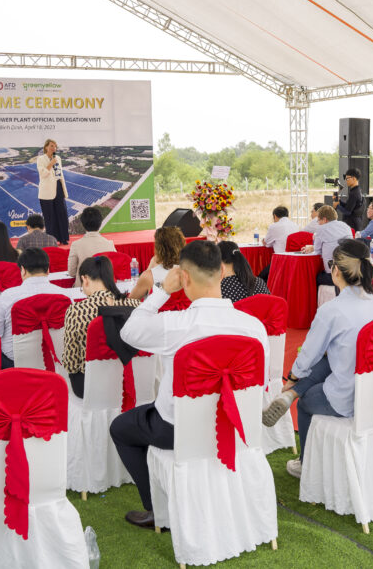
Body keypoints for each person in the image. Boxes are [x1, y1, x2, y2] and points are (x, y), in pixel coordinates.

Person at [111, 241, 268, 529]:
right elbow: (262, 380)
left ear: (182, 277)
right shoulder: (253, 326)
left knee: (120, 428)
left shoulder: (176, 323)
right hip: (238, 422)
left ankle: (157, 508)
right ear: (222, 271)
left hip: (180, 428)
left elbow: (128, 332)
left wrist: (161, 292)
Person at [261, 239, 373, 478]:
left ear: (336, 270)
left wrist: (292, 377)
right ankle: (291, 394)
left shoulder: (332, 310)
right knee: (329, 360)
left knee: (307, 401)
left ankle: (306, 461)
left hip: (346, 398)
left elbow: (308, 355)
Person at [62, 256, 140, 398]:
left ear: (85, 279)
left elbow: (71, 364)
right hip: (131, 378)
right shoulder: (135, 305)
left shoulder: (76, 311)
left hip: (89, 386)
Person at [0, 247, 65, 367]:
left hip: (16, 361)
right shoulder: (64, 295)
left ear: (22, 270)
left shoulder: (8, 296)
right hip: (57, 357)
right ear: (48, 270)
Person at [128, 226, 185, 300]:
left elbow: (130, 301)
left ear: (158, 248)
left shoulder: (149, 276)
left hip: (156, 310)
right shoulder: (193, 271)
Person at [302, 205, 353, 287]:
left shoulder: (321, 229)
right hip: (350, 272)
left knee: (310, 278)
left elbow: (317, 251)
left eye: (318, 221)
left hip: (333, 275)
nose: (318, 223)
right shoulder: (345, 226)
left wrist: (312, 247)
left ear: (324, 219)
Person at [37, 138, 70, 245]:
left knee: (62, 213)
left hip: (58, 187)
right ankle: (51, 241)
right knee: (50, 217)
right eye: (51, 146)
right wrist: (51, 163)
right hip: (47, 191)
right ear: (46, 147)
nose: (54, 148)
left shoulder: (58, 158)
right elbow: (43, 174)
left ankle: (64, 238)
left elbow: (60, 174)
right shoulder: (41, 159)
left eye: (55, 146)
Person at [68, 207, 116, 277]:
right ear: (100, 223)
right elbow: (114, 268)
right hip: (105, 285)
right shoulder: (109, 244)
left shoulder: (76, 245)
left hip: (83, 286)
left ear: (83, 224)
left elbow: (72, 273)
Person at [333, 167, 365, 232]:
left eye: (347, 178)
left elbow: (347, 212)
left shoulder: (354, 193)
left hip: (352, 225)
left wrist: (337, 206)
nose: (346, 180)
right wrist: (340, 202)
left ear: (354, 178)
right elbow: (349, 206)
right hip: (355, 223)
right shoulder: (356, 190)